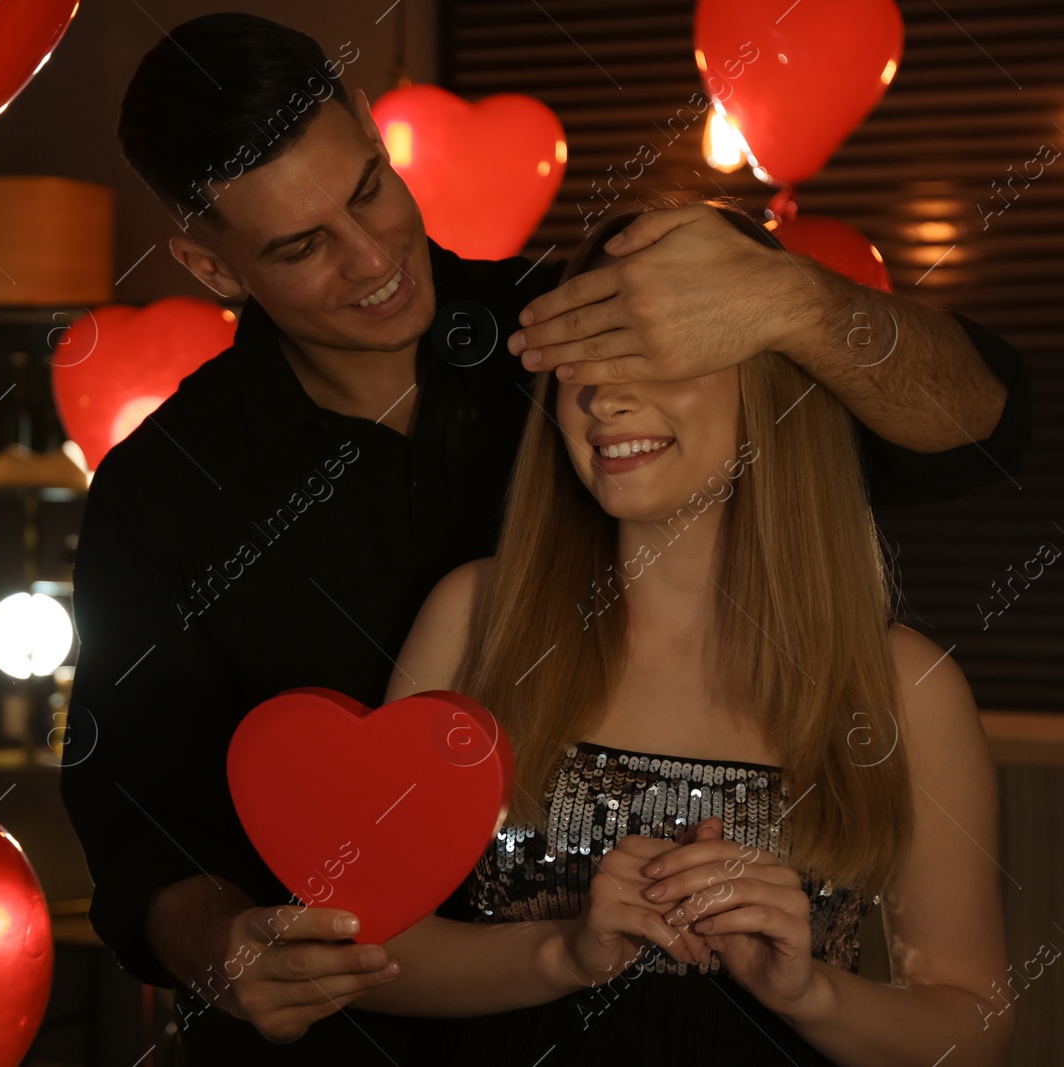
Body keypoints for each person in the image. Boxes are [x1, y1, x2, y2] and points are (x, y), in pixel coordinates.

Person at [58, 13, 1030, 1065]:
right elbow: (135, 810)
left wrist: (795, 301)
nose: (375, 256)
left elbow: (978, 431)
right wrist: (217, 939)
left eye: (371, 189)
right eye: (301, 247)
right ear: (212, 268)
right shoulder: (163, 492)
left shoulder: (581, 331)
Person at [364, 206, 1012, 1066]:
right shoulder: (474, 618)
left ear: (770, 383)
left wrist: (810, 992)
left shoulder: (904, 686)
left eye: (650, 355)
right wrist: (561, 953)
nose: (603, 396)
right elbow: (368, 944)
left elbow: (974, 1030)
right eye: (579, 364)